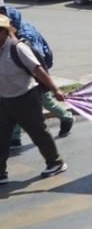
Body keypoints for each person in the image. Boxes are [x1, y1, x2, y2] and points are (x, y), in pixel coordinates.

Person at [0, 15, 67, 183]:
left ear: (4, 32)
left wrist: (56, 90)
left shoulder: (18, 48)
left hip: (26, 98)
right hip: (4, 99)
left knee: (38, 133)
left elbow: (38, 71)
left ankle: (55, 162)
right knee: (1, 137)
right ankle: (1, 173)